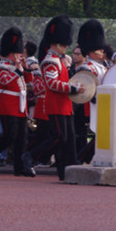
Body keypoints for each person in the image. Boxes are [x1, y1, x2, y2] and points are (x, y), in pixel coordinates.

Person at [26, 15, 82, 181]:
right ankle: (31, 156)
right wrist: (73, 88)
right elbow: (52, 83)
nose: (66, 48)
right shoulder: (51, 60)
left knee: (68, 140)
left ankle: (66, 171)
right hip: (56, 104)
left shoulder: (58, 60)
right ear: (58, 44)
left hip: (65, 104)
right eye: (64, 45)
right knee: (59, 137)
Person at [0, 27, 35, 177]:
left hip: (20, 104)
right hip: (7, 104)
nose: (19, 56)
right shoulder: (1, 67)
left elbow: (30, 83)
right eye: (17, 54)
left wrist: (26, 69)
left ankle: (20, 167)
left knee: (21, 137)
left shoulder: (18, 67)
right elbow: (4, 82)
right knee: (10, 134)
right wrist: (17, 70)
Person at [72, 20, 107, 164]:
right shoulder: (87, 68)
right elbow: (85, 88)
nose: (102, 51)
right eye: (100, 49)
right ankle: (80, 158)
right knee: (100, 136)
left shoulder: (101, 66)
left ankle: (84, 158)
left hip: (104, 104)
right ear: (92, 51)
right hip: (92, 106)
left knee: (103, 136)